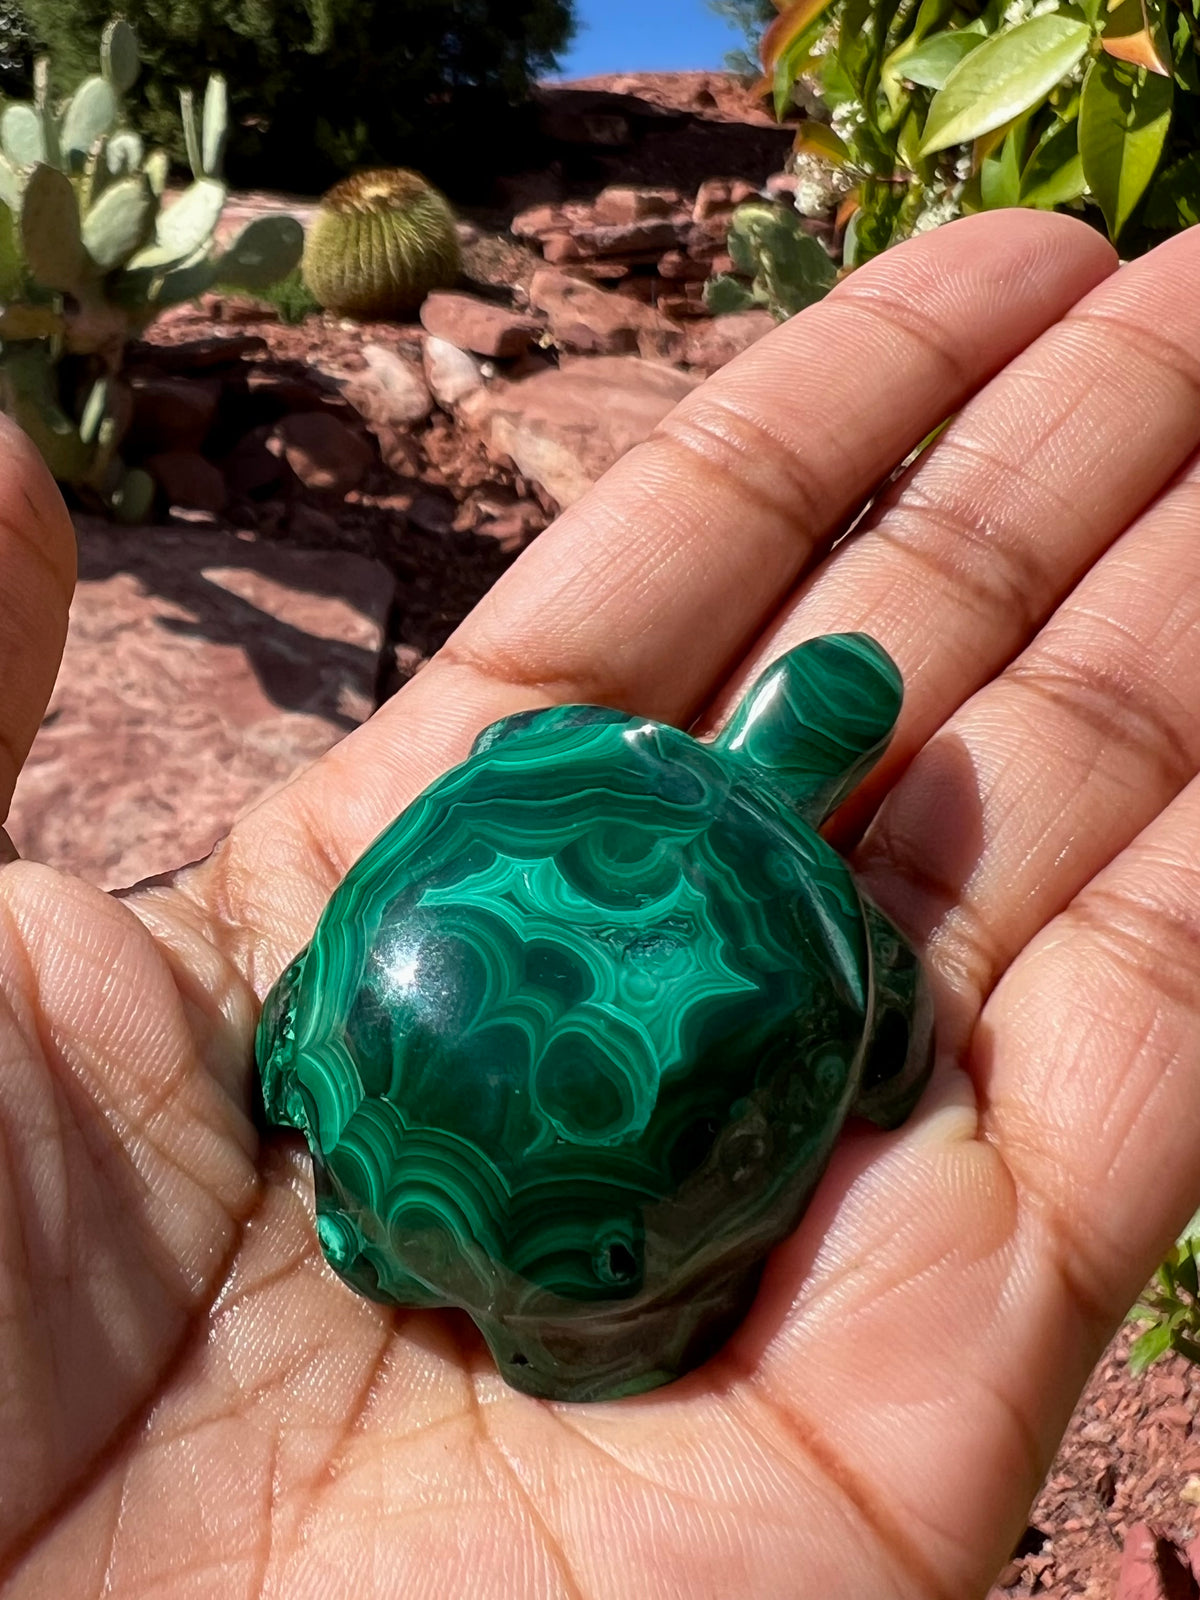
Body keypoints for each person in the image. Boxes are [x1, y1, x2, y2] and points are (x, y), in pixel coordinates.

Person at [0, 206, 1194, 1598]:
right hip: (605, 1270)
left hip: (359, 1074)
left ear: (758, 703)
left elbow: (494, 752)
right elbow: (886, 1069)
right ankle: (577, 1325)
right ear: (847, 774)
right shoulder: (841, 939)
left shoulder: (572, 751)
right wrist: (890, 1052)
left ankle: (322, 1091)